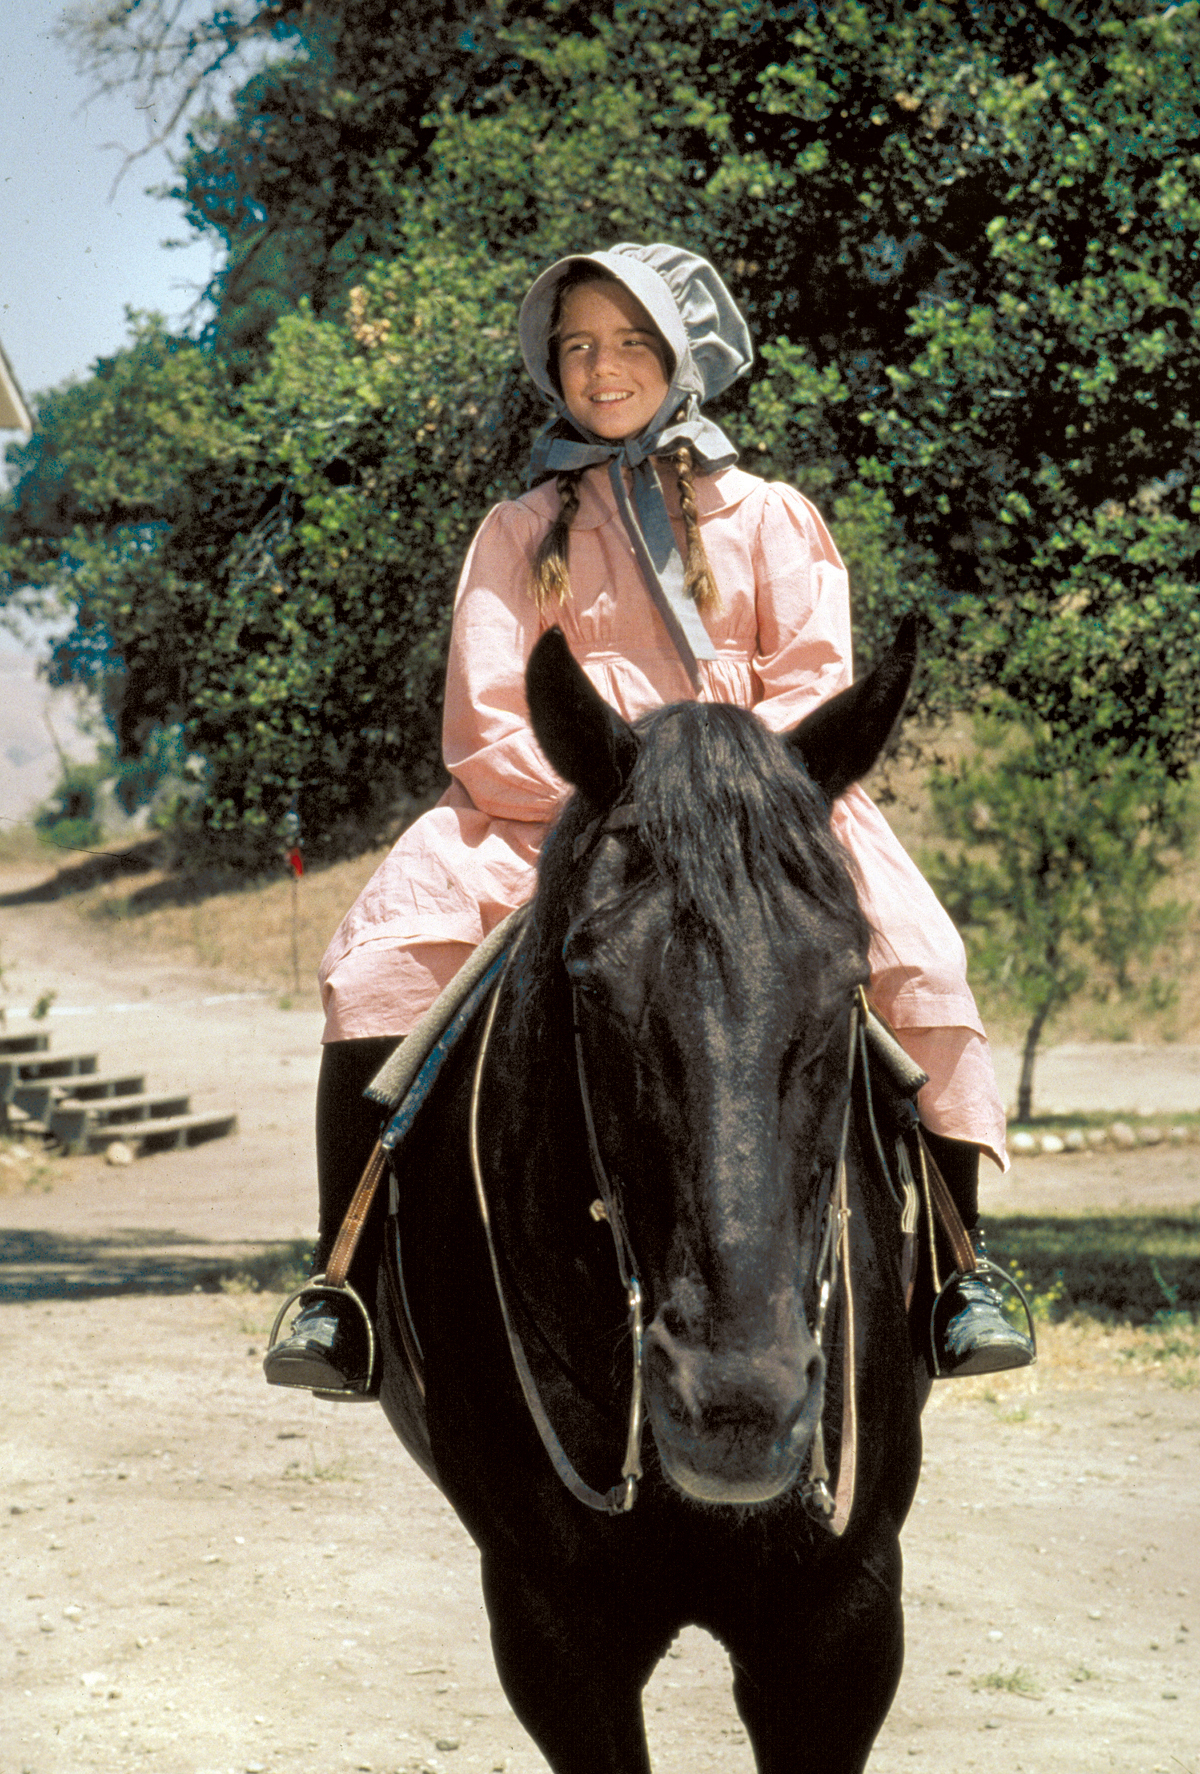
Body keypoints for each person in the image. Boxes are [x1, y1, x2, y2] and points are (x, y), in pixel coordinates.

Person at [264, 242, 1033, 1397]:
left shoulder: (772, 517)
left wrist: (721, 795)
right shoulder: (521, 531)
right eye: (578, 345)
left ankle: (959, 1276)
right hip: (559, 815)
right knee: (374, 966)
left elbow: (815, 682)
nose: (602, 367)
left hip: (761, 825)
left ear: (680, 354)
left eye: (629, 342)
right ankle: (346, 1282)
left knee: (923, 959)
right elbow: (485, 717)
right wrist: (620, 797)